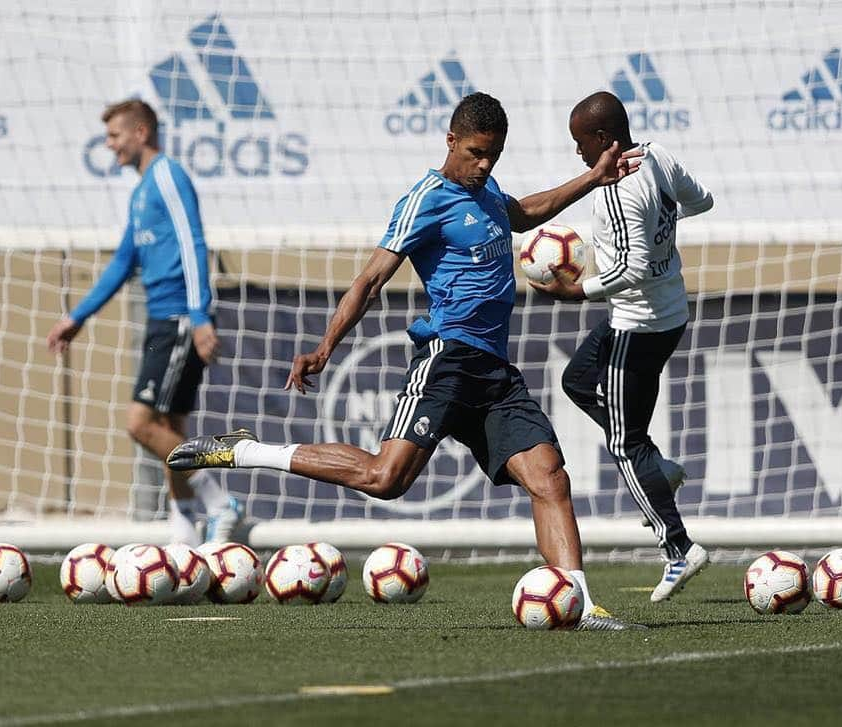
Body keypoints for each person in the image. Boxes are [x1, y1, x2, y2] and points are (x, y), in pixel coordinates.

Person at [168, 92, 641, 629]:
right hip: (447, 360)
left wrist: (592, 178)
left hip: (494, 372)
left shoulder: (484, 192)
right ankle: (249, 451)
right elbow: (370, 280)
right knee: (385, 478)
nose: (484, 164)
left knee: (550, 478)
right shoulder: (426, 198)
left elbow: (526, 212)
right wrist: (326, 347)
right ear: (450, 141)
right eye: (475, 152)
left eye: (494, 155)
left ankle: (579, 604)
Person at [529, 91, 714, 603]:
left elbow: (630, 270)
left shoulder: (615, 189)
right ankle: (660, 470)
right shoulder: (657, 156)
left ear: (604, 139)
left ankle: (678, 547)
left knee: (623, 445)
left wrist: (576, 291)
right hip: (671, 311)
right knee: (576, 380)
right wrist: (663, 229)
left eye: (581, 142)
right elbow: (702, 201)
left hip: (637, 325)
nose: (579, 153)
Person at [46, 99, 242, 547]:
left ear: (140, 132)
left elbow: (194, 241)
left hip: (177, 317)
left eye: (115, 135)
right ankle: (186, 536)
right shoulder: (138, 194)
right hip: (162, 319)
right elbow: (122, 263)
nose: (110, 145)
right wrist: (77, 317)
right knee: (170, 431)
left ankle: (218, 503)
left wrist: (197, 315)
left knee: (140, 424)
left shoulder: (167, 176)